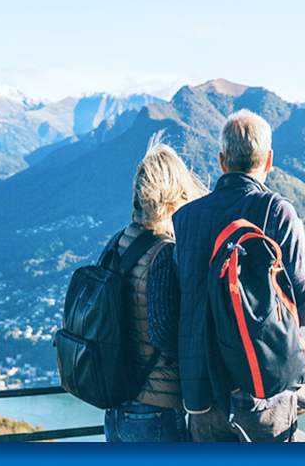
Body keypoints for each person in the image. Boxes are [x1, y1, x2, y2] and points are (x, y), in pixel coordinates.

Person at [173, 110, 305, 442]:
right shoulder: (277, 211)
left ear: (222, 160)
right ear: (269, 160)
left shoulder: (184, 219)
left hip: (201, 396)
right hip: (260, 393)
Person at [103, 136, 209, 442]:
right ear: (174, 195)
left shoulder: (118, 243)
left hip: (116, 408)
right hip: (154, 410)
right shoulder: (163, 252)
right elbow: (163, 331)